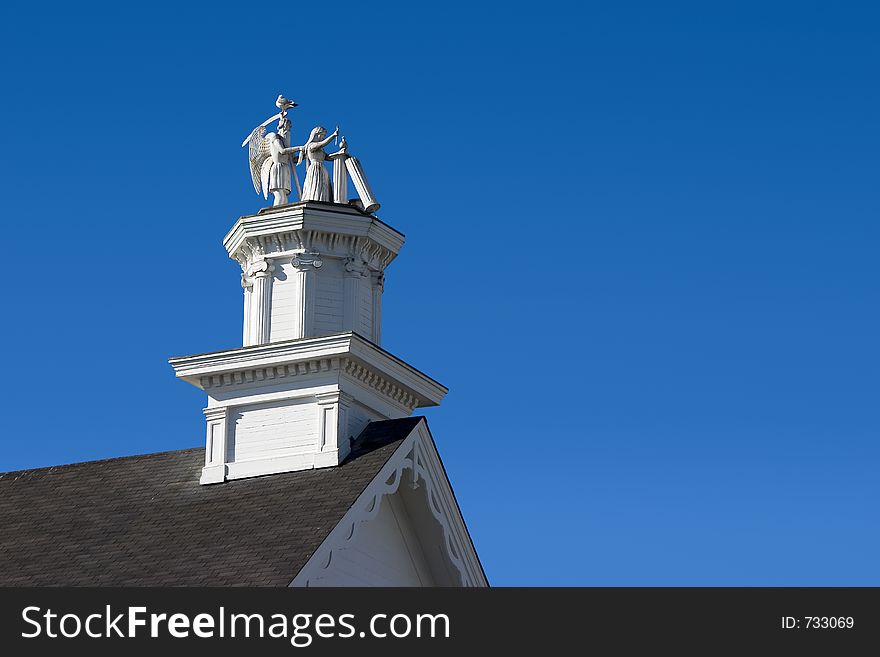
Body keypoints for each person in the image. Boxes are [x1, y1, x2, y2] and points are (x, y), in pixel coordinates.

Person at [298, 126, 339, 202]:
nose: (323, 137)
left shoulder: (321, 149)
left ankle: (323, 201)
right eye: (322, 135)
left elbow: (328, 157)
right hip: (315, 168)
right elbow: (323, 143)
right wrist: (333, 136)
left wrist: (339, 154)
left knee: (323, 187)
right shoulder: (311, 145)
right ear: (316, 134)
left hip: (322, 169)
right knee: (316, 186)